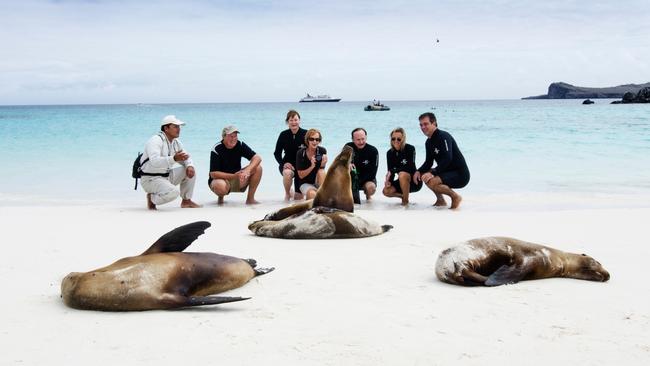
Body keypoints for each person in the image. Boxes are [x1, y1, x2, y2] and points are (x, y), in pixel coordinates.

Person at [139, 115, 201, 210]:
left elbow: (186, 157)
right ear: (166, 128)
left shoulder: (176, 142)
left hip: (166, 176)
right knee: (174, 193)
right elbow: (155, 161)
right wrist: (174, 159)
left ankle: (186, 201)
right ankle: (152, 198)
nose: (179, 129)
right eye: (175, 126)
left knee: (191, 170)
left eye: (179, 127)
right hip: (150, 179)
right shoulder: (155, 140)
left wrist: (189, 165)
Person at [413, 112, 470, 209]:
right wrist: (418, 171)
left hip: (460, 174)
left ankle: (455, 197)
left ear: (434, 123)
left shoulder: (444, 136)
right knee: (424, 175)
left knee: (432, 180)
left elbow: (448, 158)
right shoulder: (429, 142)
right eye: (421, 125)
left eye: (426, 124)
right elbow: (428, 162)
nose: (423, 127)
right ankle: (441, 200)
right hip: (447, 172)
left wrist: (433, 173)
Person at [208, 125, 263, 205]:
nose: (234, 139)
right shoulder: (216, 149)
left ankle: (250, 199)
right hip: (221, 180)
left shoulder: (239, 144)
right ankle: (220, 198)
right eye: (231, 136)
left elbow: (257, 158)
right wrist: (234, 176)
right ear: (224, 137)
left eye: (235, 136)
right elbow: (213, 174)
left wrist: (247, 170)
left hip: (238, 178)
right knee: (219, 185)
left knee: (258, 168)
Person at [382, 127, 422, 205]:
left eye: (399, 139)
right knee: (386, 191)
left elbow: (410, 167)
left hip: (414, 181)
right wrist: (389, 181)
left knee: (402, 174)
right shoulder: (389, 153)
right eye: (393, 139)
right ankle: (403, 197)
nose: (396, 141)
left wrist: (393, 171)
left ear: (403, 139)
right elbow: (390, 170)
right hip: (401, 181)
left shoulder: (410, 148)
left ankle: (405, 202)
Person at [273, 110, 307, 201]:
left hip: (301, 167)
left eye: (296, 120)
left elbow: (311, 151)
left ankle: (294, 193)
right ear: (287, 122)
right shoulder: (283, 134)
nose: (293, 122)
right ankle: (287, 193)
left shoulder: (306, 134)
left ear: (299, 120)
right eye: (291, 120)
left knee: (298, 199)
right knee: (287, 173)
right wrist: (283, 163)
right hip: (288, 164)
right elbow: (276, 153)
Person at [345, 127, 378, 202]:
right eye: (358, 140)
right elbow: (340, 164)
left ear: (366, 137)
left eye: (363, 139)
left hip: (367, 179)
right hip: (351, 178)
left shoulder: (373, 150)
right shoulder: (348, 147)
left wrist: (358, 182)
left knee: (371, 188)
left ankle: (368, 196)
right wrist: (347, 163)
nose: (361, 142)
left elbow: (373, 173)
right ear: (353, 139)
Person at [296, 128, 328, 200]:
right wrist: (312, 166)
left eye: (317, 139)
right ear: (307, 140)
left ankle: (323, 197)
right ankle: (314, 207)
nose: (314, 141)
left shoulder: (322, 150)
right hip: (305, 183)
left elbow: (321, 171)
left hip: (318, 181)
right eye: (312, 139)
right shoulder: (301, 153)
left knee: (321, 171)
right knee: (311, 194)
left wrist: (323, 164)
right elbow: (301, 176)